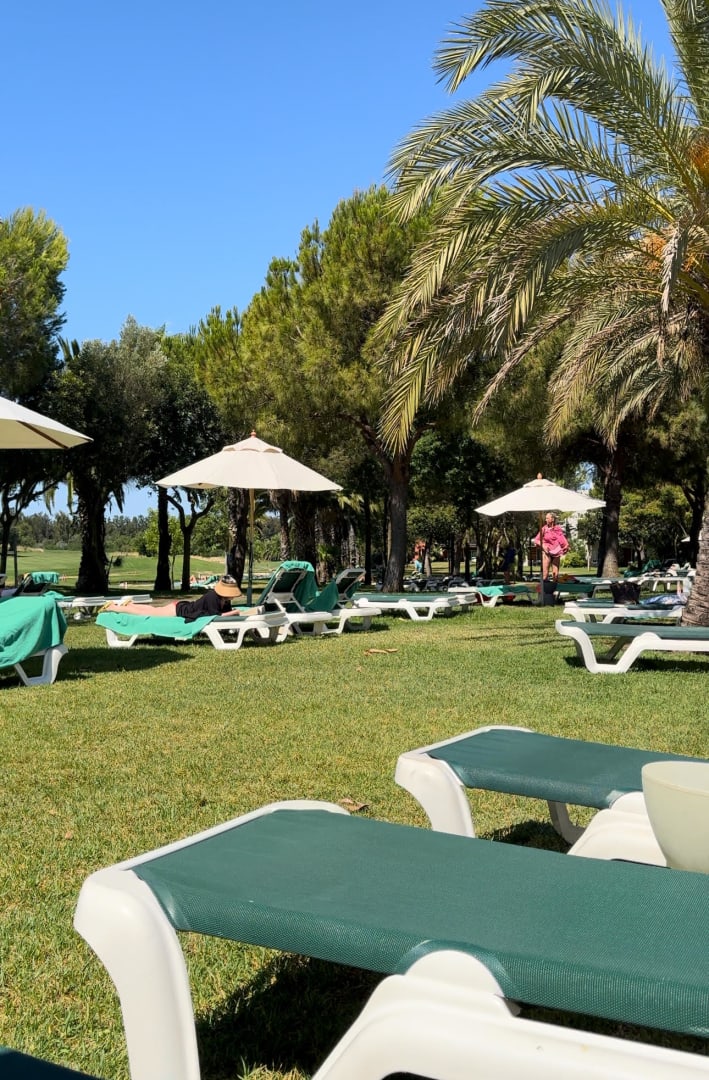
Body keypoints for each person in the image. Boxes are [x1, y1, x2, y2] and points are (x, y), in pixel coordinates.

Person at [102, 576, 244, 620]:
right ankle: (112, 607)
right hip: (178, 610)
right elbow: (215, 616)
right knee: (149, 613)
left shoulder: (224, 600)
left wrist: (233, 612)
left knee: (153, 609)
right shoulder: (213, 596)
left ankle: (129, 604)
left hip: (182, 606)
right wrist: (236, 612)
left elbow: (224, 613)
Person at [532, 513, 570, 582]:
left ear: (552, 519)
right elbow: (536, 540)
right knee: (545, 574)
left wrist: (566, 545)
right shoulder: (544, 529)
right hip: (546, 552)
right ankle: (544, 587)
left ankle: (554, 587)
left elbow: (562, 538)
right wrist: (543, 545)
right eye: (546, 518)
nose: (545, 520)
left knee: (555, 574)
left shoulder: (558, 528)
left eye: (547, 518)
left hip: (556, 552)